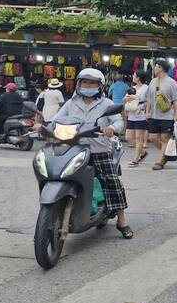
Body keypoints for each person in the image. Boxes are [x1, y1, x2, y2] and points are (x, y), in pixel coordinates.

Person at [52, 68, 133, 239]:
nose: (88, 85)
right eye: (85, 82)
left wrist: (112, 128)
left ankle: (121, 220)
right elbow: (56, 120)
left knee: (112, 182)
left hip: (98, 150)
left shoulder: (107, 104)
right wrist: (44, 126)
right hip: (72, 148)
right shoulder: (71, 103)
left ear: (100, 86)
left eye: (93, 83)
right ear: (79, 84)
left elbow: (119, 122)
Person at [145, 59, 177, 170]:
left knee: (165, 138)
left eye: (156, 67)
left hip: (167, 116)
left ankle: (160, 161)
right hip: (154, 115)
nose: (154, 69)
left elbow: (176, 100)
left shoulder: (172, 83)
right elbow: (150, 98)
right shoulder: (152, 81)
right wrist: (147, 111)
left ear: (161, 68)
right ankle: (167, 154)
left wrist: (176, 114)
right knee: (152, 137)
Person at [124, 70, 150, 168]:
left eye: (134, 75)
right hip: (131, 114)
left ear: (138, 77)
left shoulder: (146, 88)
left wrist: (142, 107)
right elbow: (125, 98)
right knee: (128, 137)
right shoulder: (132, 88)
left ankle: (136, 160)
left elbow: (150, 101)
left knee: (139, 138)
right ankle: (143, 152)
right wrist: (126, 99)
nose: (133, 76)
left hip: (141, 115)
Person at [0, 82, 23, 148]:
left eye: (6, 88)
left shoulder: (5, 95)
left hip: (7, 115)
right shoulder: (19, 96)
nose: (6, 89)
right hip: (18, 115)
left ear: (8, 89)